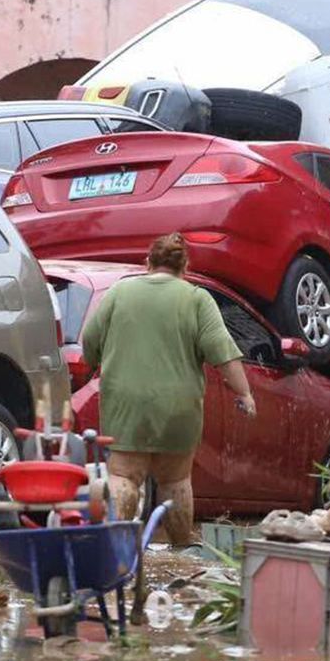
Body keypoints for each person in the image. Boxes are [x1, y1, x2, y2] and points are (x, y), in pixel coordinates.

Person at [80, 232, 254, 544]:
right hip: (179, 407)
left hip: (125, 404)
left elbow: (90, 342)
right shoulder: (197, 298)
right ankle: (181, 548)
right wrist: (244, 393)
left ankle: (115, 549)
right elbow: (222, 351)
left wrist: (92, 362)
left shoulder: (119, 292)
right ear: (184, 266)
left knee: (123, 476)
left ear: (147, 263)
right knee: (175, 480)